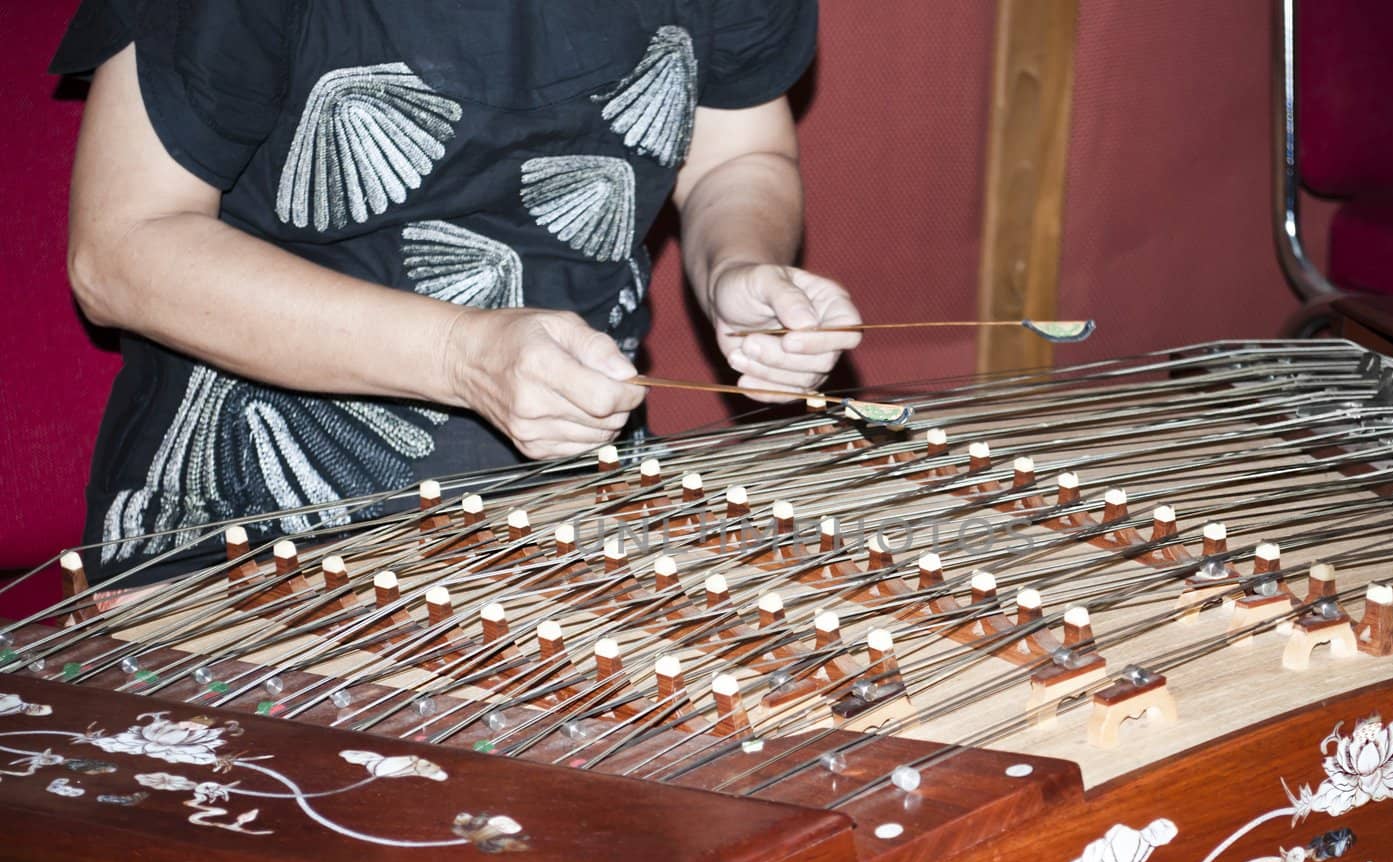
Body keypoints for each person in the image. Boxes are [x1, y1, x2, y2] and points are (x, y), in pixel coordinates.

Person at [50, 0, 862, 583]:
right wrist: (461, 356)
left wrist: (739, 268)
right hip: (247, 524)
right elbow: (120, 253)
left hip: (578, 505)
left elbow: (736, 156)